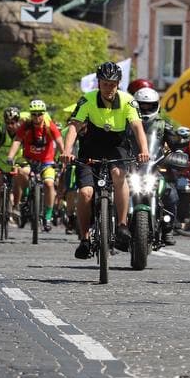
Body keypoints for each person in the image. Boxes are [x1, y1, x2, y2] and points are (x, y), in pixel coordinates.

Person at [60, 61, 150, 259]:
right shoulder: (87, 100)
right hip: (92, 146)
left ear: (118, 84)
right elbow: (74, 126)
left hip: (117, 146)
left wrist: (144, 150)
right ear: (98, 83)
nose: (109, 88)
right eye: (105, 83)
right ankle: (84, 239)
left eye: (113, 84)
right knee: (85, 193)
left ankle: (122, 225)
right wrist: (67, 150)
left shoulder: (128, 101)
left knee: (119, 175)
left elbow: (137, 127)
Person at [7, 100, 65, 230]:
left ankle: (48, 217)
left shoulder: (50, 126)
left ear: (44, 114)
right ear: (30, 115)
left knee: (49, 184)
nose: (37, 117)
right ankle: (26, 194)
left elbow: (59, 141)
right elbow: (17, 141)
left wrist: (64, 155)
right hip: (29, 160)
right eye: (34, 114)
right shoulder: (26, 126)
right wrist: (11, 156)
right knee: (21, 171)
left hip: (47, 162)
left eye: (40, 114)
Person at [0, 106, 27, 222]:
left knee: (17, 181)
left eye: (13, 123)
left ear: (18, 122)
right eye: (7, 123)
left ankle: (16, 206)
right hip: (1, 164)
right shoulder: (0, 132)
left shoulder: (23, 133)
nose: (10, 125)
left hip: (16, 164)